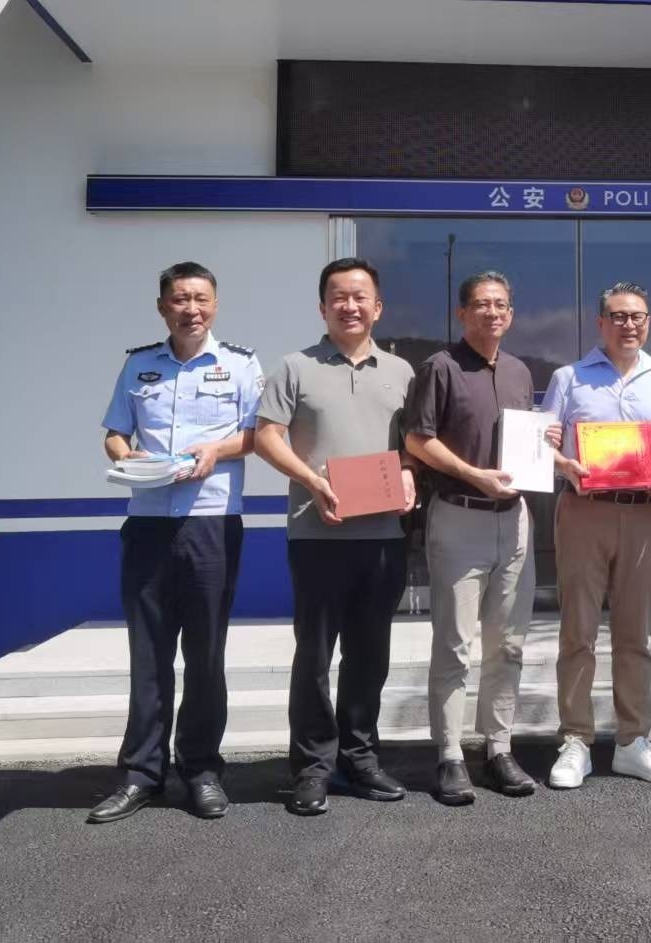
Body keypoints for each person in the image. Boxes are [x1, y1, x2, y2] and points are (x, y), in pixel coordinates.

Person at [90, 262, 263, 824]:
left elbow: (258, 434)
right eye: (181, 299)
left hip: (211, 522)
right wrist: (126, 455)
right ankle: (141, 774)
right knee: (149, 655)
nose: (192, 309)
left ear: (216, 304)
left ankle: (202, 770)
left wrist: (216, 450)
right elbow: (115, 432)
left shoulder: (240, 364)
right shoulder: (138, 365)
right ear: (162, 306)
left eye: (201, 299)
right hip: (148, 524)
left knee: (206, 656)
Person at [254, 258, 416, 817]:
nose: (350, 306)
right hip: (316, 533)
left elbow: (413, 444)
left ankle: (360, 758)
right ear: (322, 307)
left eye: (360, 296)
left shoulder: (401, 371)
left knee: (370, 655)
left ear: (378, 307)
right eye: (338, 297)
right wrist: (311, 480)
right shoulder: (294, 367)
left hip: (384, 535)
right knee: (315, 658)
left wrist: (411, 474)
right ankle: (312, 767)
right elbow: (266, 437)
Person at [541, 282, 651, 789]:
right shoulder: (569, 378)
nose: (628, 325)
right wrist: (562, 463)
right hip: (583, 513)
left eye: (637, 316)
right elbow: (541, 445)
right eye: (618, 316)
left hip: (645, 516)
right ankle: (576, 740)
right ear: (600, 323)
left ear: (648, 322)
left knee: (635, 634)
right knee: (578, 632)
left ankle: (633, 741)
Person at [403, 271, 539, 806]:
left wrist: (551, 446)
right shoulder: (440, 367)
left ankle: (499, 748)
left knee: (508, 643)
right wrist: (473, 475)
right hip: (460, 517)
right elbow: (418, 441)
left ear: (511, 314)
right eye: (481, 304)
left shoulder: (520, 371)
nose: (492, 312)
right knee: (455, 644)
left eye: (501, 304)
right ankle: (450, 754)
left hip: (515, 519)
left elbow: (525, 444)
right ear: (462, 313)